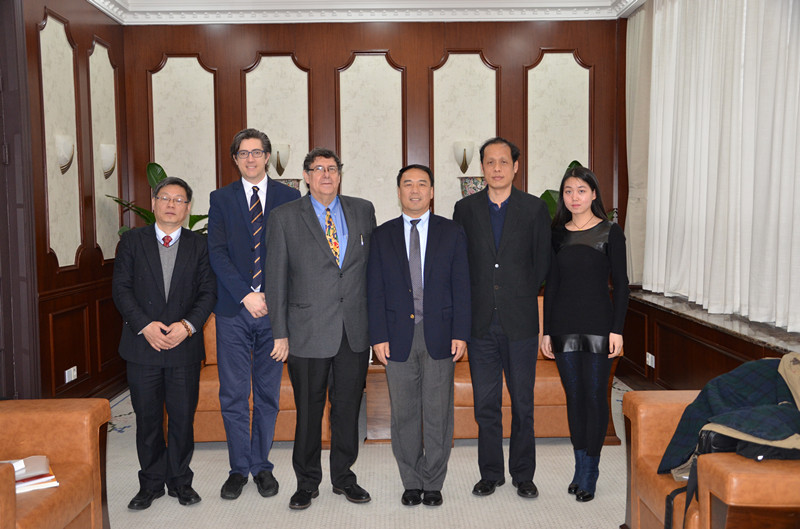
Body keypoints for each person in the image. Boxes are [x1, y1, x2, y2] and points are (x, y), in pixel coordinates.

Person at [264, 147, 377, 510]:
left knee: (347, 410)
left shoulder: (363, 210)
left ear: (340, 175)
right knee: (309, 412)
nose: (326, 175)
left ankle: (344, 478)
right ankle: (307, 482)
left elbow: (372, 272)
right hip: (307, 331)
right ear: (307, 176)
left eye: (332, 168)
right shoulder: (284, 217)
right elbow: (275, 280)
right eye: (318, 169)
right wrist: (279, 332)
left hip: (353, 331)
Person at [367, 164, 471, 507]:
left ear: (431, 192)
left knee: (438, 413)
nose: (415, 190)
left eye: (422, 184)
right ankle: (411, 481)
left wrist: (461, 332)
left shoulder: (451, 232)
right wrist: (377, 336)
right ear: (399, 191)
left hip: (441, 333)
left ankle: (433, 481)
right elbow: (374, 290)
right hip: (396, 336)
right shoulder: (382, 235)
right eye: (408, 184)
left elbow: (462, 286)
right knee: (404, 413)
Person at [453, 137, 551, 499]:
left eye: (503, 162)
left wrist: (517, 290)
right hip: (480, 325)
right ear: (482, 168)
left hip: (520, 322)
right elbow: (459, 264)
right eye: (490, 162)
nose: (497, 168)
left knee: (523, 403)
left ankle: (523, 474)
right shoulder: (465, 209)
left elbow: (542, 263)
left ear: (515, 167)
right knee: (486, 405)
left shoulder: (534, 208)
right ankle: (490, 473)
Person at [112, 176, 216, 510]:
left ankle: (181, 482)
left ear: (188, 208)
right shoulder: (132, 241)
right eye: (165, 198)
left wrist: (187, 326)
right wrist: (145, 326)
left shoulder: (200, 245)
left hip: (184, 347)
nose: (172, 204)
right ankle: (151, 483)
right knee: (148, 420)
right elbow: (121, 289)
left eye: (179, 200)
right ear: (154, 203)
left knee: (183, 419)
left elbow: (208, 292)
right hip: (143, 346)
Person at [207, 128, 300, 500]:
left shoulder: (289, 197)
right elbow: (216, 253)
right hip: (233, 311)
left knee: (267, 394)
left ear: (267, 157)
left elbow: (293, 257)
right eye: (243, 153)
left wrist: (273, 301)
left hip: (274, 314)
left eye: (257, 152)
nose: (250, 158)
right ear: (235, 159)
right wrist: (246, 295)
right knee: (233, 394)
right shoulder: (221, 198)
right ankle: (237, 469)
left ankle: (261, 466)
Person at [540, 165, 629, 502]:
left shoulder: (610, 232)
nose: (574, 197)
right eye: (568, 191)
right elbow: (551, 286)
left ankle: (591, 469)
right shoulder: (556, 235)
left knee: (594, 396)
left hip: (599, 325)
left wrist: (617, 330)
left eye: (580, 190)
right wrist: (547, 332)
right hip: (563, 326)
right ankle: (580, 467)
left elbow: (622, 286)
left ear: (593, 194)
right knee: (575, 397)